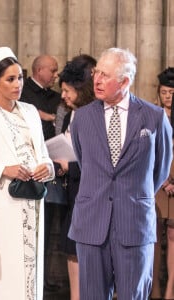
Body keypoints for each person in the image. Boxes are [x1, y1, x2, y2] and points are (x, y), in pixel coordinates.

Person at [68, 47, 173, 299]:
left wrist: (135, 194)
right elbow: (86, 163)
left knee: (134, 294)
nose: (97, 79)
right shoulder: (81, 118)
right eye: (96, 73)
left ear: (125, 81)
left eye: (105, 75)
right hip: (92, 223)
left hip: (134, 223)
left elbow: (159, 169)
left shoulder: (154, 117)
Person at [0, 46, 55, 300]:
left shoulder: (30, 112)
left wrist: (46, 167)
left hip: (31, 204)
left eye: (20, 78)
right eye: (10, 79)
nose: (18, 84)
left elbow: (43, 154)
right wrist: (4, 169)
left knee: (27, 270)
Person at [19, 54, 62, 291]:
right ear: (39, 70)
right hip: (27, 169)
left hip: (51, 166)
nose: (56, 75)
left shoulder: (56, 98)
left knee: (47, 227)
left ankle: (42, 277)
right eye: (53, 70)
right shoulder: (24, 93)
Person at [56, 54, 96, 300]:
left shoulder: (94, 115)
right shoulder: (71, 113)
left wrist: (70, 167)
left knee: (82, 250)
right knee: (71, 249)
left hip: (90, 195)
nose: (63, 96)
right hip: (73, 192)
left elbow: (100, 163)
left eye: (67, 91)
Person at [151, 67, 174, 300]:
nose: (168, 96)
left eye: (172, 92)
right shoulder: (153, 115)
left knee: (173, 235)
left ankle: (170, 290)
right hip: (158, 180)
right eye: (164, 92)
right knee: (155, 235)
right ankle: (154, 287)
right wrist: (164, 179)